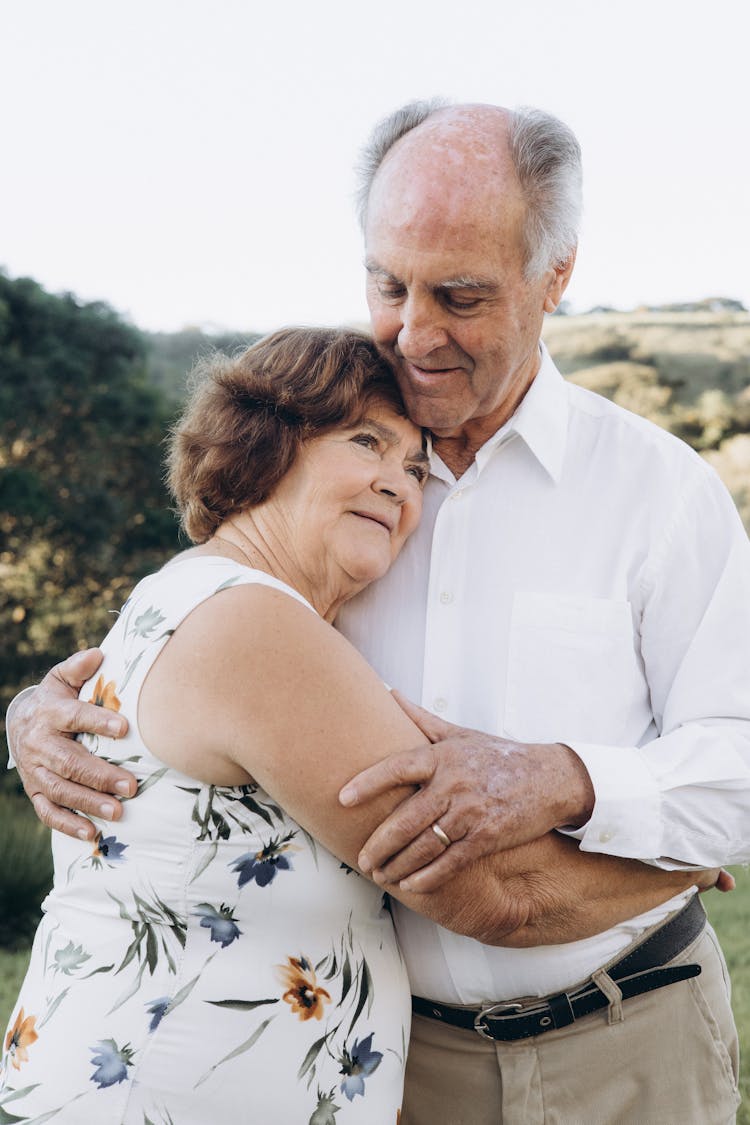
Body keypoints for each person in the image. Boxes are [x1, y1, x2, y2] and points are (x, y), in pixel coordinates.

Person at [6, 101, 750, 1123]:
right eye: (387, 284)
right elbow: (183, 648)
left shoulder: (661, 494)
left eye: (460, 295)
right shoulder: (325, 490)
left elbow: (740, 754)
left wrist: (571, 779)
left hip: (635, 1039)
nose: (414, 330)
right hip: (404, 1067)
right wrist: (34, 715)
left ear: (556, 278)